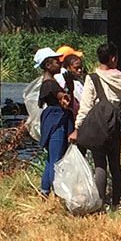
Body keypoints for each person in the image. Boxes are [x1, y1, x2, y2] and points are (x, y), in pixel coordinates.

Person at [73, 42, 121, 209]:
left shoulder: (92, 79)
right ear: (113, 58)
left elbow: (85, 106)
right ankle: (115, 202)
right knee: (115, 164)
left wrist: (78, 128)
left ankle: (100, 203)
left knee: (100, 163)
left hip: (98, 126)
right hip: (115, 125)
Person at [31, 47, 74, 197]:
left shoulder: (47, 82)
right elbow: (67, 102)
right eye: (57, 61)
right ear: (48, 65)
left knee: (51, 159)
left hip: (51, 121)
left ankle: (45, 192)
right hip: (57, 123)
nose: (60, 63)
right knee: (55, 161)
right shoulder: (50, 84)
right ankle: (56, 193)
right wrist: (71, 88)